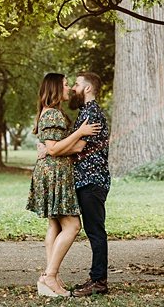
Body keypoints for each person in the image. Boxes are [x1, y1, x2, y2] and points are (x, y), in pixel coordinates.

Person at [38, 71, 112, 297]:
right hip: (82, 180)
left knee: (95, 231)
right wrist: (53, 149)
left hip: (92, 181)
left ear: (87, 89)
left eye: (76, 84)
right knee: (66, 226)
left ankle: (98, 280)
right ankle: (54, 276)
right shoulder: (83, 113)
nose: (72, 89)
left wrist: (50, 151)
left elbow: (79, 147)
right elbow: (71, 144)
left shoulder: (91, 113)